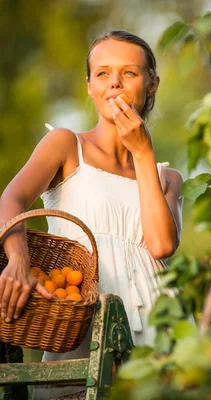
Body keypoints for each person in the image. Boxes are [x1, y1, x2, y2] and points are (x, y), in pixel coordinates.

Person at [0, 30, 183, 399]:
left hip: (159, 328)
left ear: (152, 84)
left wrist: (144, 153)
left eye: (129, 72)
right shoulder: (67, 145)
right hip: (82, 327)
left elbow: (162, 246)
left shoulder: (167, 177)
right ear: (89, 85)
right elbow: (12, 198)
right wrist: (18, 260)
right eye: (102, 73)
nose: (114, 82)